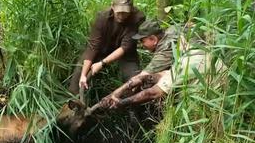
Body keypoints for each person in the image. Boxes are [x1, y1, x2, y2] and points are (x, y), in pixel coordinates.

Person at [95, 20, 223, 109]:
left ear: (153, 39)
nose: (141, 45)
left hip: (216, 95)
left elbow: (152, 92)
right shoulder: (174, 30)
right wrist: (116, 94)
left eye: (142, 40)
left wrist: (119, 101)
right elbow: (191, 24)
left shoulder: (174, 56)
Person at [69, 0, 146, 94]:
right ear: (112, 7)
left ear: (131, 9)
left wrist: (102, 63)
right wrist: (83, 75)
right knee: (79, 74)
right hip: (103, 48)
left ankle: (130, 104)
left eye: (125, 12)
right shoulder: (102, 17)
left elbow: (125, 47)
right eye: (119, 12)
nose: (122, 16)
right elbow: (93, 46)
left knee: (134, 78)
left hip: (126, 52)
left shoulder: (137, 18)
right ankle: (72, 102)